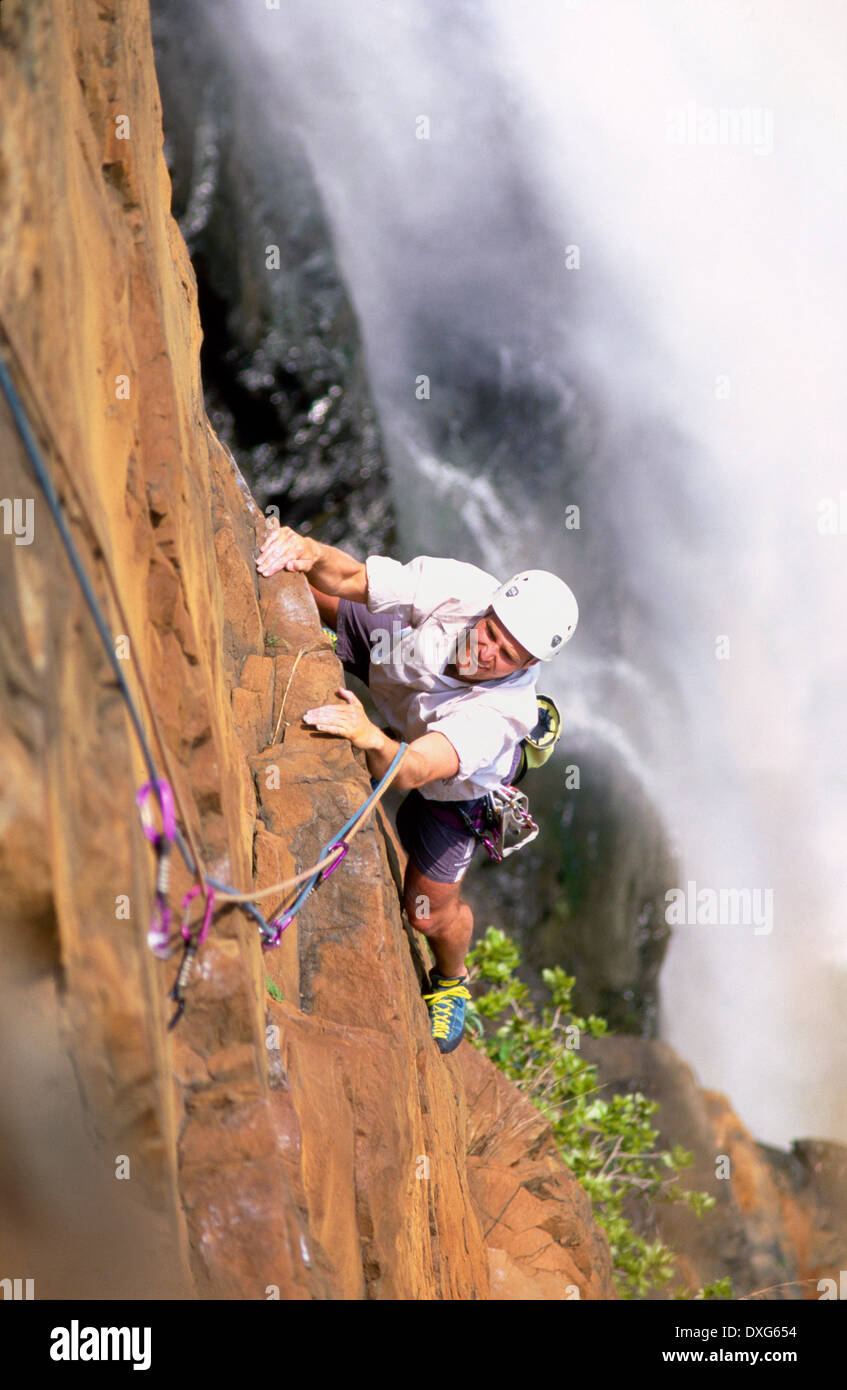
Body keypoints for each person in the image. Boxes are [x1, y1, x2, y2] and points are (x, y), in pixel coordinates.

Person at [256, 523, 578, 1053]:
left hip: (454, 790)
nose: (486, 649)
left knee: (426, 910)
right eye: (491, 630)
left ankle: (452, 978)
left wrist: (366, 735)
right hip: (397, 672)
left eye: (508, 654)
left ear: (531, 666)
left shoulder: (502, 713)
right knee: (302, 587)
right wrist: (307, 551)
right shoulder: (461, 589)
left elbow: (413, 771)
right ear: (489, 607)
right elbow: (353, 577)